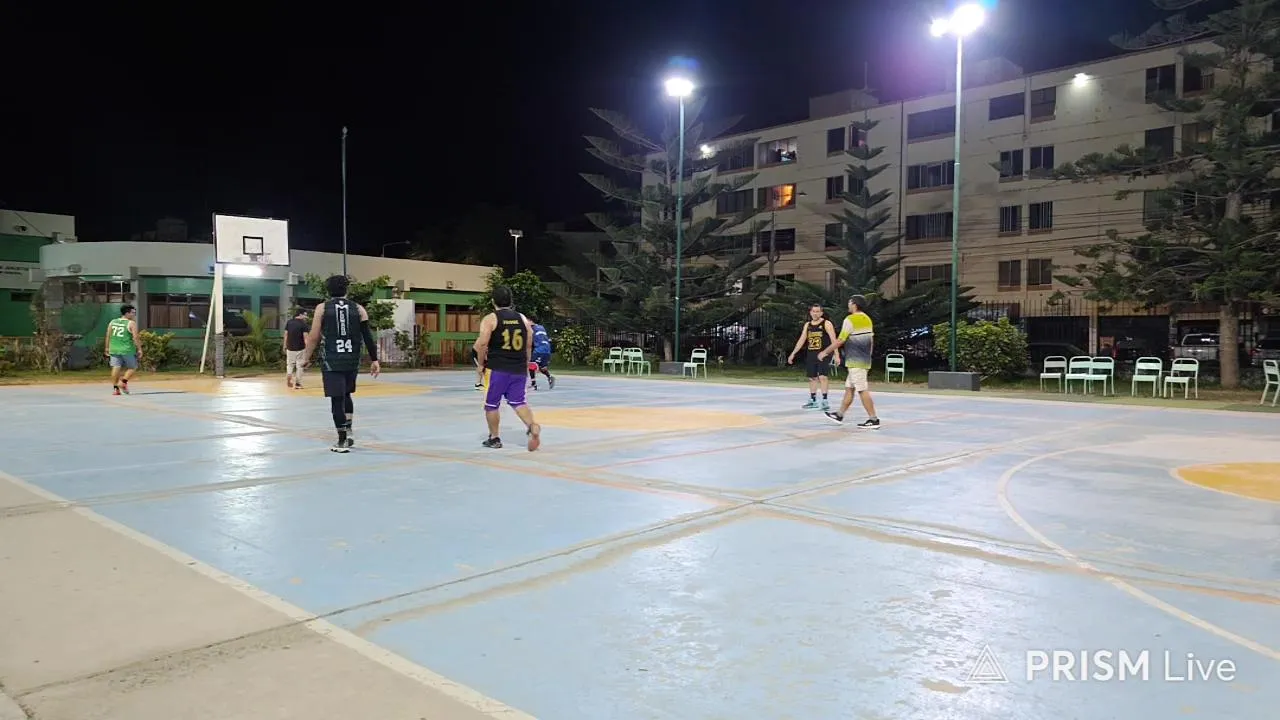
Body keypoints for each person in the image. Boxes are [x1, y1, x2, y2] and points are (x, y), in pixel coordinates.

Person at [304, 275, 381, 452]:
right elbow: (367, 336)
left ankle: (342, 440)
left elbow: (314, 336)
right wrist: (374, 359)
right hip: (352, 359)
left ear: (328, 290)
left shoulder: (322, 308)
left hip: (332, 360)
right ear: (347, 289)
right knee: (346, 394)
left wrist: (306, 357)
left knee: (337, 398)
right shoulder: (359, 309)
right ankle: (349, 430)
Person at [473, 285, 541, 451]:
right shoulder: (522, 318)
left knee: (491, 404)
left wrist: (481, 364)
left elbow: (482, 344)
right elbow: (529, 342)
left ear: (493, 301)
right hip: (518, 368)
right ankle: (532, 426)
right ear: (511, 301)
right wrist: (526, 363)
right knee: (519, 402)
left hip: (497, 368)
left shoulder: (491, 319)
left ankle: (494, 438)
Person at [818, 295, 881, 429]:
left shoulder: (850, 320)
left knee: (862, 390)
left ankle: (873, 419)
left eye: (849, 302)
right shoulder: (867, 319)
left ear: (854, 304)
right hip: (863, 360)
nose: (848, 305)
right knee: (849, 389)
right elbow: (871, 340)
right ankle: (839, 414)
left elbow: (840, 340)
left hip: (856, 361)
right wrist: (868, 356)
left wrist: (825, 352)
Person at [787, 303, 839, 410]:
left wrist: (836, 355)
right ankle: (813, 400)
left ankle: (824, 400)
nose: (815, 314)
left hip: (823, 353)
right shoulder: (808, 325)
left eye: (817, 311)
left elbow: (834, 340)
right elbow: (802, 340)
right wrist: (793, 353)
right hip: (811, 353)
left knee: (822, 376)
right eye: (813, 311)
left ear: (821, 313)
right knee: (812, 377)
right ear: (810, 312)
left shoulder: (826, 323)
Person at [106, 305, 143, 395]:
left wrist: (106, 348)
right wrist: (139, 349)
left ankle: (116, 389)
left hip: (114, 348)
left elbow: (108, 335)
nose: (134, 314)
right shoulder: (131, 323)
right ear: (127, 313)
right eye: (133, 313)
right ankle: (123, 382)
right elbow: (135, 337)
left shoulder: (112, 322)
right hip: (127, 349)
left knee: (116, 367)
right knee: (133, 367)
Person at [527, 316, 556, 390]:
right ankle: (550, 377)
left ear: (531, 321)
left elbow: (530, 340)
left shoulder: (531, 328)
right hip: (547, 349)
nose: (526, 322)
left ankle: (533, 384)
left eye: (527, 321)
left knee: (531, 365)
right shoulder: (541, 327)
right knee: (542, 368)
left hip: (540, 350)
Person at [283, 309, 309, 390]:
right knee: (300, 366)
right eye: (305, 315)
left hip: (290, 347)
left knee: (290, 364)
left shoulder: (289, 322)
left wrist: (284, 345)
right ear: (300, 315)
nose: (306, 317)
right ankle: (298, 384)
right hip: (300, 348)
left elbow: (286, 335)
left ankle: (289, 374)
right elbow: (305, 337)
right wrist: (307, 348)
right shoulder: (303, 324)